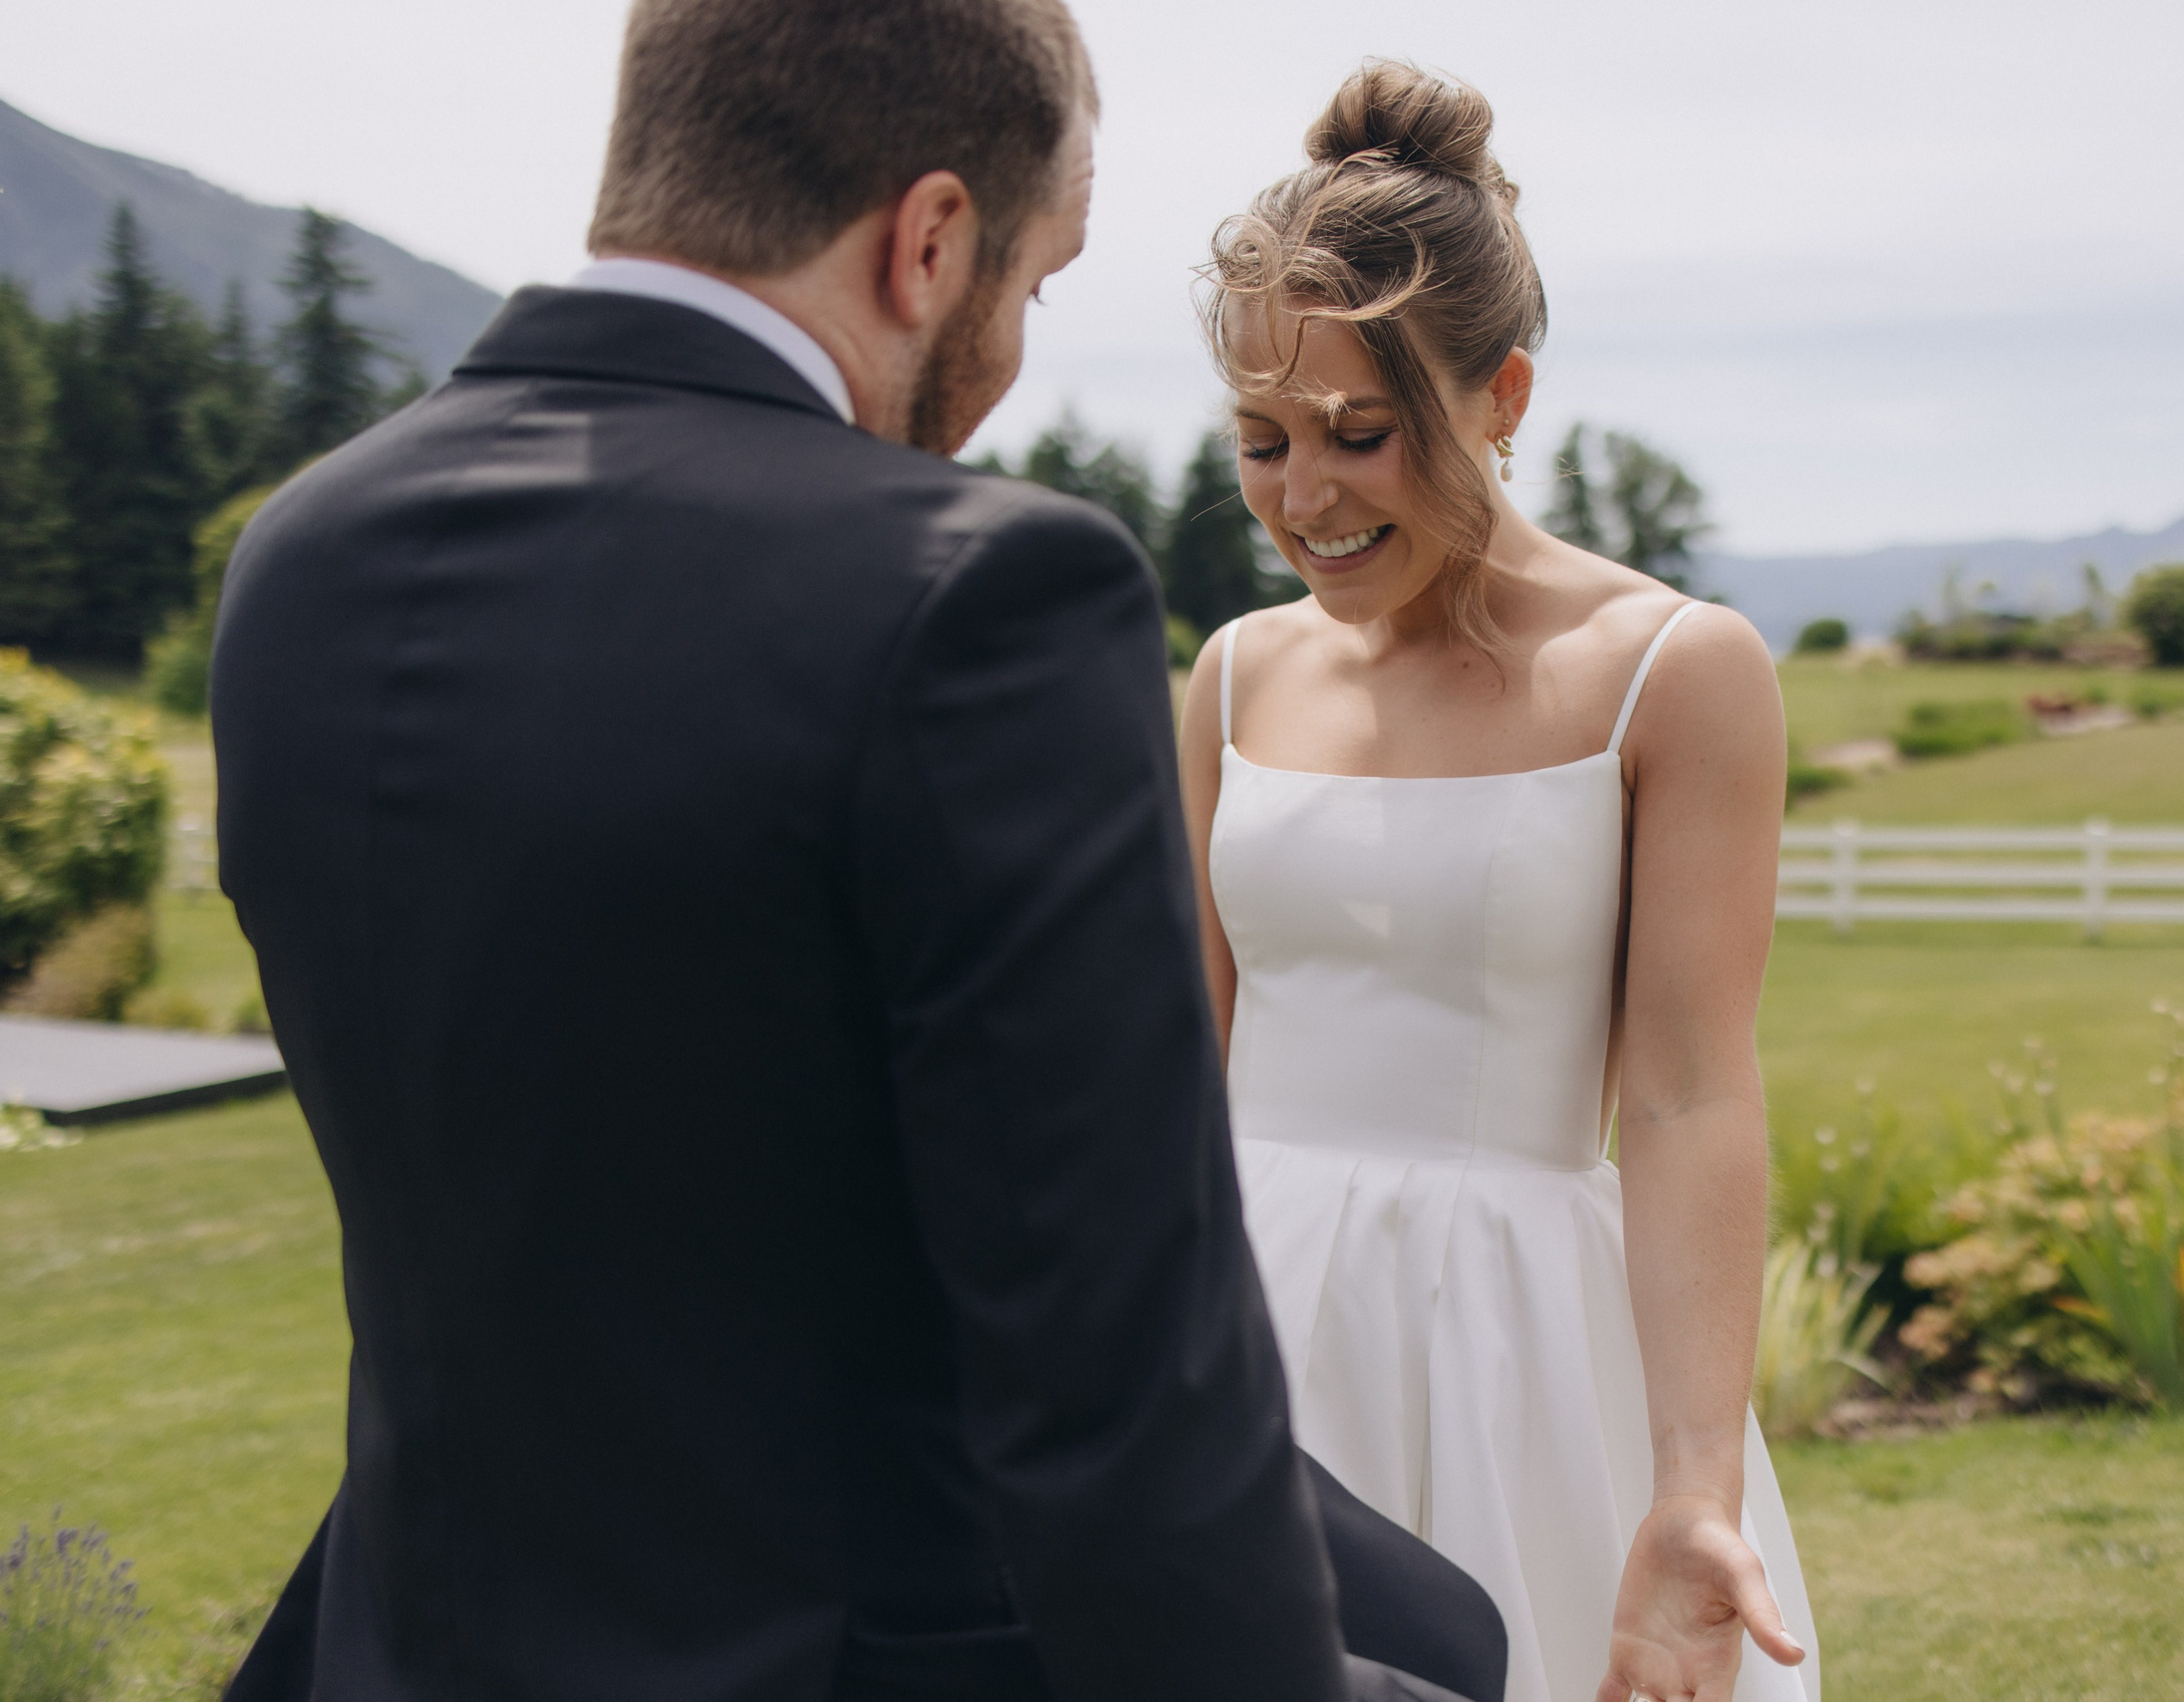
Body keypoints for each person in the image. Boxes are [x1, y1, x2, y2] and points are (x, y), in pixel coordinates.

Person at [209, 5, 1500, 1699]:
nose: (1013, 354)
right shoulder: (975, 598)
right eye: (1034, 286)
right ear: (932, 238)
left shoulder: (306, 560)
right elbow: (1116, 1391)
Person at [1178, 62, 1821, 1702]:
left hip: (1519, 1356)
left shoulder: (1674, 670)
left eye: (1358, 435)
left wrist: (1692, 1483)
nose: (1302, 498)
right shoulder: (1237, 677)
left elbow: (1685, 1095)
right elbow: (1169, 1068)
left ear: (1504, 394)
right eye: (1260, 442)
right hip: (1235, 1333)